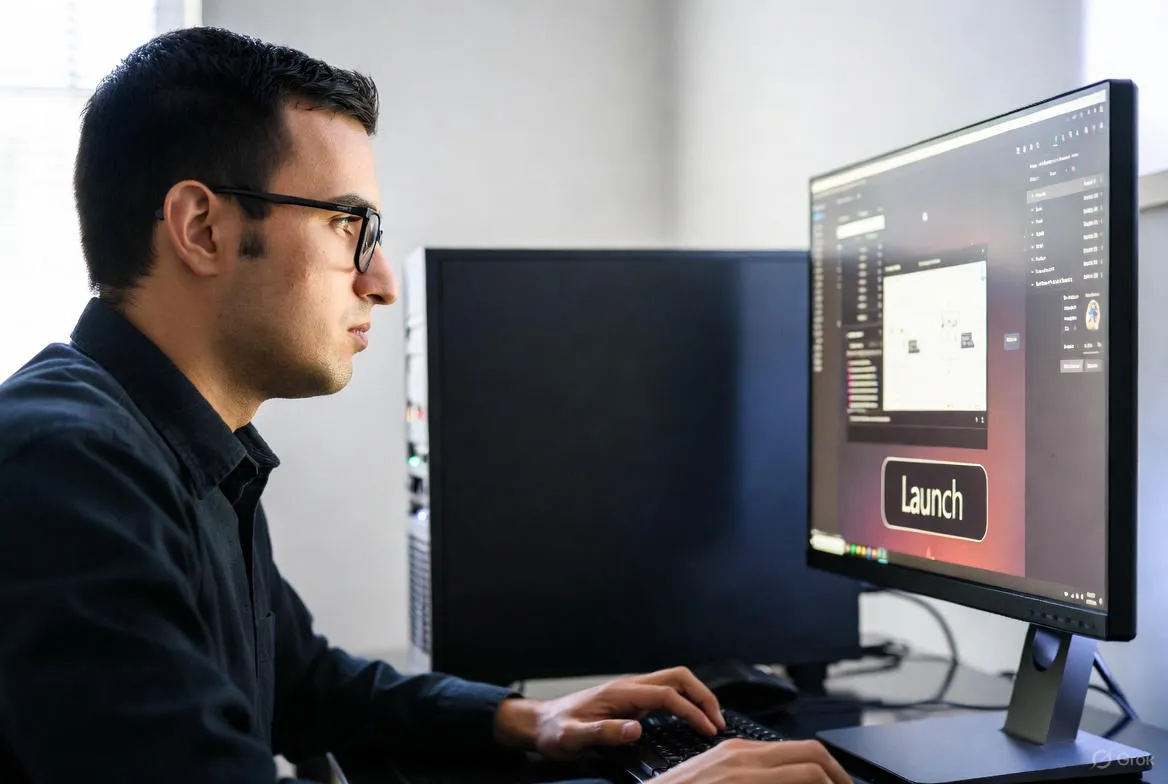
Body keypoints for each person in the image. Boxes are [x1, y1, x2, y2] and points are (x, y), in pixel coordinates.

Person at [0, 26, 851, 784]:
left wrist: (526, 718)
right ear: (202, 227)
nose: (382, 281)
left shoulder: (186, 450)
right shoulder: (63, 467)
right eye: (349, 227)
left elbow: (302, 682)